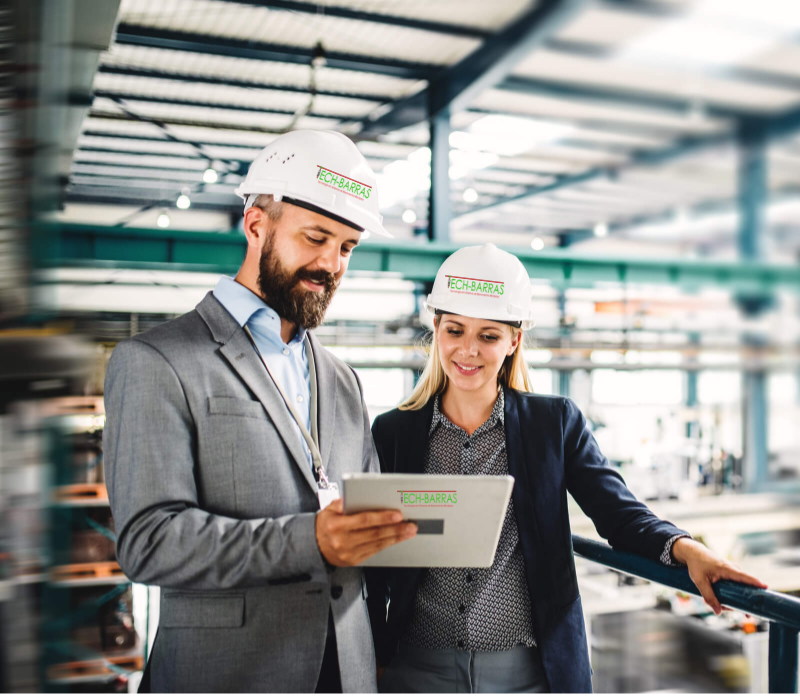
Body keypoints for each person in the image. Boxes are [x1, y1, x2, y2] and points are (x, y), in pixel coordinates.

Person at [366, 243, 767, 693]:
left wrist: (686, 548)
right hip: (417, 666)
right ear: (436, 328)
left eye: (489, 335)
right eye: (455, 330)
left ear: (514, 340)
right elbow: (378, 555)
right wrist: (375, 655)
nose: (468, 350)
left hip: (526, 672)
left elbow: (617, 512)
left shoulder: (553, 424)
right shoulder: (393, 432)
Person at [103, 130, 417, 693]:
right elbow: (149, 541)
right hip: (231, 673)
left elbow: (360, 510)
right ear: (256, 226)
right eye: (316, 237)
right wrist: (311, 541)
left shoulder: (341, 379)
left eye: (347, 247)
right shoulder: (156, 361)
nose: (331, 263)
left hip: (347, 673)